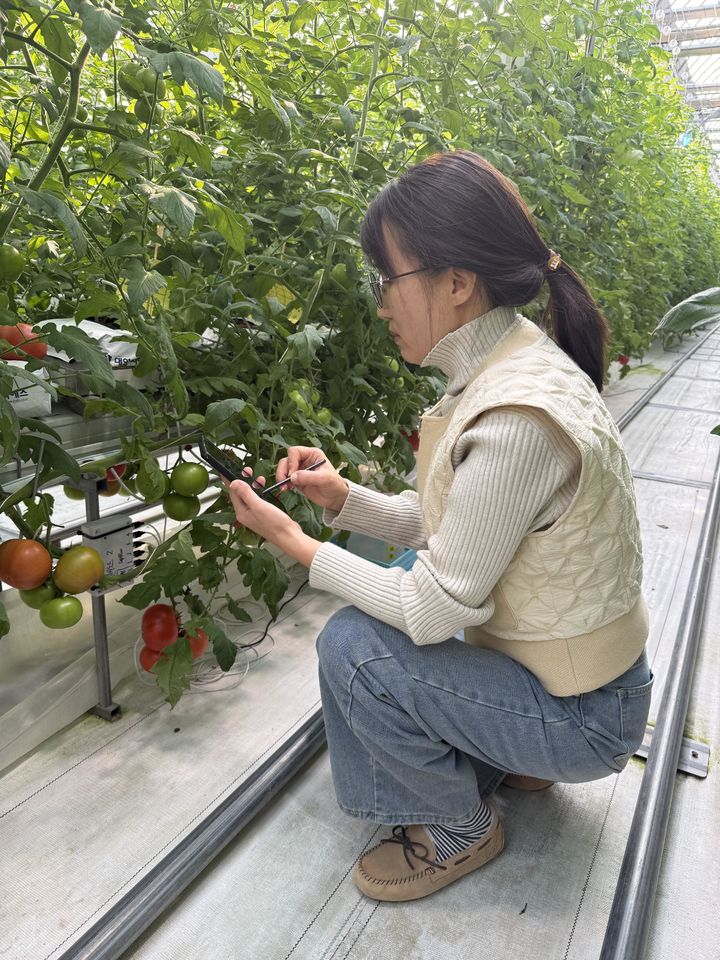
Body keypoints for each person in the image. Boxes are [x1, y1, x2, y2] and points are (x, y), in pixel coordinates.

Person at [224, 149, 653, 903]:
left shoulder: (515, 416)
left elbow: (434, 607)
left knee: (355, 649)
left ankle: (459, 827)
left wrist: (296, 545)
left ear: (456, 283)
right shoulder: (512, 365)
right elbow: (456, 524)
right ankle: (520, 755)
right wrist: (340, 497)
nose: (380, 305)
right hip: (575, 682)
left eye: (386, 279)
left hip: (587, 716)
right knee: (391, 590)